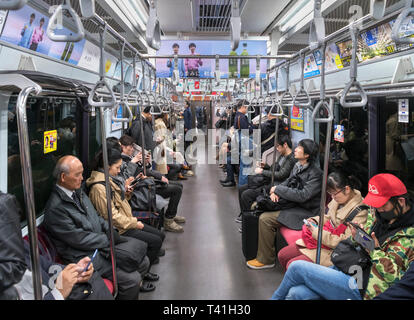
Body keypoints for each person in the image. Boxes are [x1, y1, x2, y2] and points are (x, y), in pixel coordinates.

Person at [270, 173, 414, 300]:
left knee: (296, 267)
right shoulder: (378, 216)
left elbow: (398, 279)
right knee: (297, 293)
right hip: (351, 266)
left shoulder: (409, 238)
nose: (378, 209)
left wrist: (374, 250)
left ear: (400, 202)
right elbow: (361, 242)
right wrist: (357, 236)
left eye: (382, 205)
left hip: (365, 286)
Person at [43, 155, 151, 300]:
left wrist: (111, 231)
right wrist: (108, 239)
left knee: (142, 260)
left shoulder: (78, 193)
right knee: (132, 280)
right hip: (83, 256)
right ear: (63, 177)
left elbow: (97, 218)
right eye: (78, 175)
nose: (82, 178)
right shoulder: (56, 209)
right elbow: (80, 239)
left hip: (100, 247)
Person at [246, 139, 322, 270]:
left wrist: (279, 190)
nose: (296, 149)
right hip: (293, 204)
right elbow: (288, 181)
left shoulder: (315, 174)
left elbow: (303, 195)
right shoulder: (298, 165)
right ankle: (262, 251)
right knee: (258, 206)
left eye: (299, 148)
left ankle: (266, 259)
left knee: (265, 219)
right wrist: (276, 190)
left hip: (306, 211)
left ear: (307, 155)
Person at [87, 148, 165, 270]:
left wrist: (127, 192)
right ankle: (143, 271)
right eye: (117, 168)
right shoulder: (99, 188)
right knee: (156, 240)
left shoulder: (110, 181)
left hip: (126, 220)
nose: (119, 171)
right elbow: (110, 216)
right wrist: (135, 223)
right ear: (107, 166)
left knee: (159, 235)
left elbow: (119, 203)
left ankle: (147, 262)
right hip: (119, 228)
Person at [277, 171, 369, 270]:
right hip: (321, 239)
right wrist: (315, 221)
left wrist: (317, 233)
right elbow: (329, 217)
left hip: (334, 250)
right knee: (282, 255)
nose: (332, 197)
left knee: (292, 265)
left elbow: (347, 241)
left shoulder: (360, 211)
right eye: (330, 194)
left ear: (346, 189)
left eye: (334, 194)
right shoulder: (339, 197)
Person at [118, 136, 186, 233]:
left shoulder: (130, 157)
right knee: (176, 190)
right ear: (123, 147)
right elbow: (128, 177)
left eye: (132, 146)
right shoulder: (123, 161)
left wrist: (146, 163)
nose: (132, 149)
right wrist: (158, 176)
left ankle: (171, 214)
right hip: (141, 188)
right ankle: (168, 220)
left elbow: (142, 170)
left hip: (145, 182)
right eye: (130, 147)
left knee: (179, 186)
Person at [16, 241, 114, 300]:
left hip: (54, 290)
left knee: (93, 279)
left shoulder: (17, 246)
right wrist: (59, 292)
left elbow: (48, 266)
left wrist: (74, 271)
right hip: (54, 294)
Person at [237, 135, 296, 219]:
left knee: (246, 195)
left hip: (275, 184)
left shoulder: (291, 159)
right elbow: (275, 169)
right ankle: (243, 213)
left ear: (285, 145)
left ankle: (248, 219)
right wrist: (266, 166)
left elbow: (281, 175)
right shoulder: (282, 155)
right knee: (241, 188)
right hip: (270, 180)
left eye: (278, 146)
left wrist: (262, 171)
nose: (277, 149)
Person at [220, 100, 255, 187]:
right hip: (243, 143)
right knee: (244, 166)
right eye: (246, 107)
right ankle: (242, 186)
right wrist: (252, 126)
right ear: (243, 107)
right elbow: (247, 131)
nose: (247, 109)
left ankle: (236, 182)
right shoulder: (242, 117)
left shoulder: (237, 116)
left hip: (239, 143)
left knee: (236, 162)